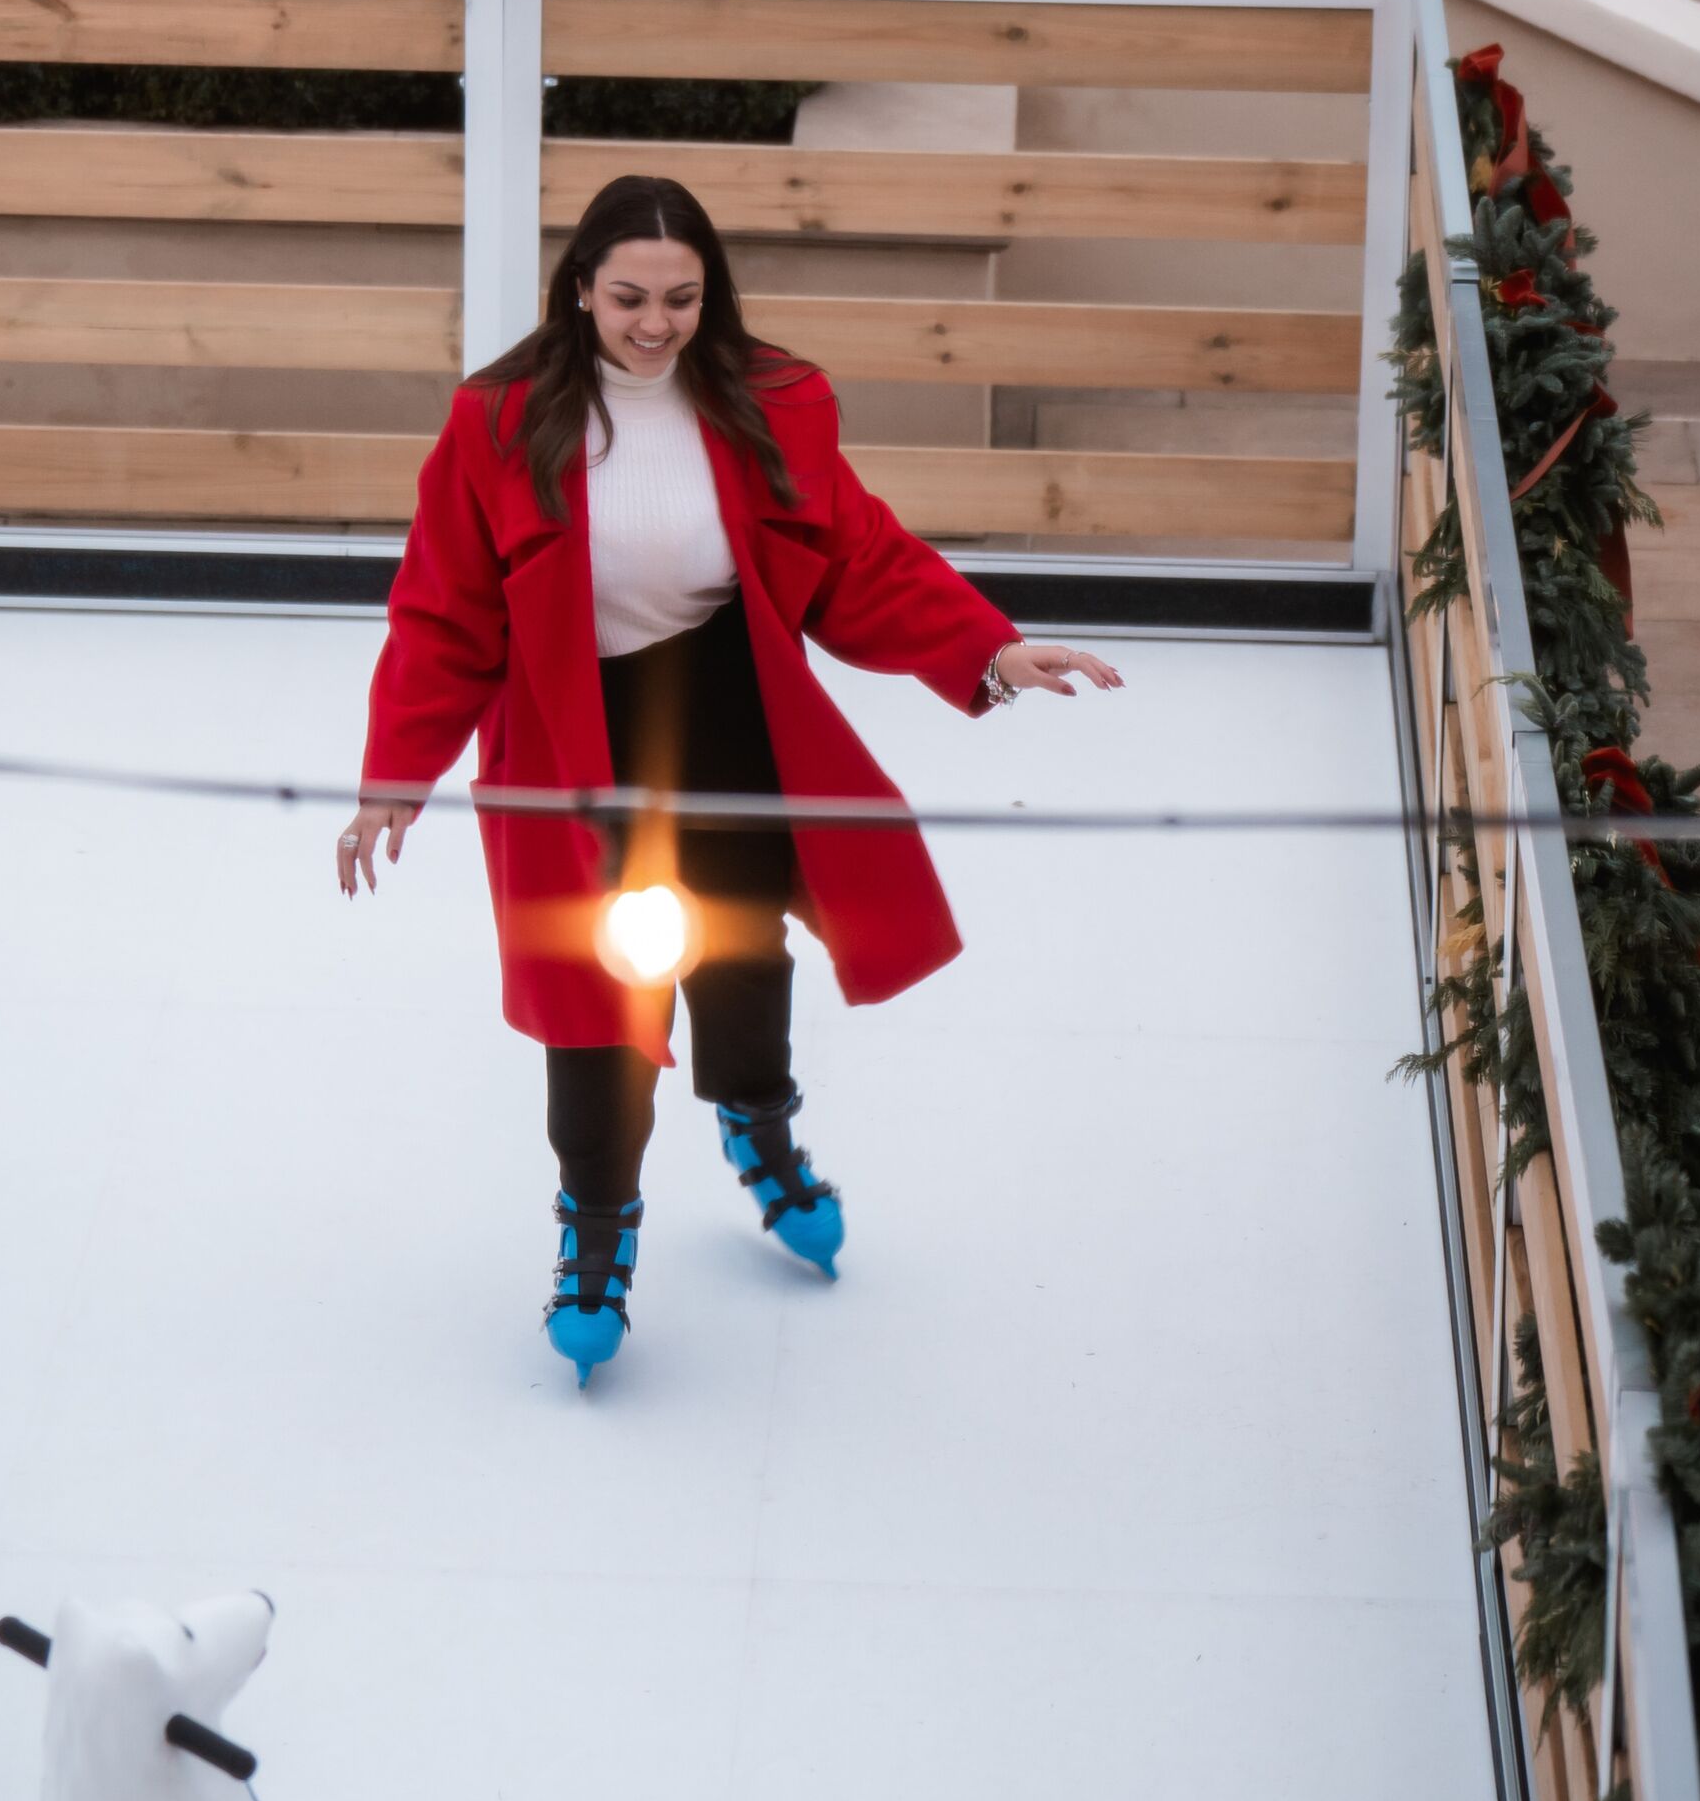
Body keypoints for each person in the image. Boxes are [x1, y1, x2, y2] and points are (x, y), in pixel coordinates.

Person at [340, 173, 1121, 1380]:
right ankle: (594, 1233)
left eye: (682, 298)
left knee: (744, 947)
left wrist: (989, 648)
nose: (655, 323)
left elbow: (858, 553)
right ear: (579, 290)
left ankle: (758, 1125)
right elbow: (444, 611)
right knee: (594, 992)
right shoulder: (499, 420)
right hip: (572, 740)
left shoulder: (771, 401)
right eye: (629, 298)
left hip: (728, 715)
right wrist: (396, 772)